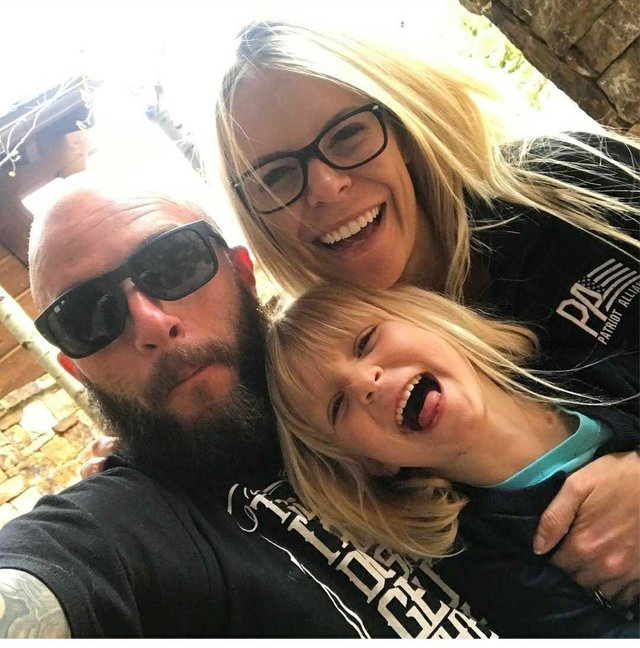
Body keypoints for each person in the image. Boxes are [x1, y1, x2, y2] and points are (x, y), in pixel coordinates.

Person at [212, 19, 640, 603]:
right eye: (277, 177)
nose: (327, 188)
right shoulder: (315, 381)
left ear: (402, 128)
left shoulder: (564, 182)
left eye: (347, 135)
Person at [0, 185, 496, 638]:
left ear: (242, 271)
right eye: (86, 315)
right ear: (78, 370)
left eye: (174, 262)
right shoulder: (122, 528)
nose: (151, 325)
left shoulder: (378, 375)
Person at [265, 281, 639, 637]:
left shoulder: (592, 368)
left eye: (365, 342)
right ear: (371, 462)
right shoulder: (481, 555)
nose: (365, 382)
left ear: (424, 317)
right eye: (337, 406)